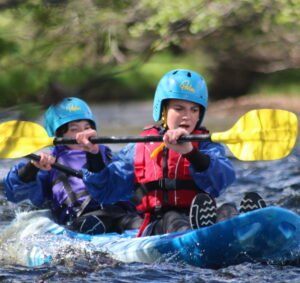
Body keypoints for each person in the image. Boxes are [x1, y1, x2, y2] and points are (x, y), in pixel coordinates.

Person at [81, 69, 267, 236]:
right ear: (162, 111)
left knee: (227, 210)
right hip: (157, 225)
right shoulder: (140, 147)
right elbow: (105, 190)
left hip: (197, 215)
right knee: (172, 219)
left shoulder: (206, 146)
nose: (187, 115)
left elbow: (222, 181)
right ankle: (200, 234)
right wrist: (93, 154)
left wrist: (191, 153)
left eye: (194, 109)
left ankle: (248, 229)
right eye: (179, 108)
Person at [3, 97, 143, 235]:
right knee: (95, 223)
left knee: (141, 225)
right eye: (74, 129)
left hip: (119, 213)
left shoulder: (107, 155)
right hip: (83, 218)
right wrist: (32, 167)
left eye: (87, 128)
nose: (83, 134)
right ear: (58, 135)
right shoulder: (49, 162)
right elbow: (16, 191)